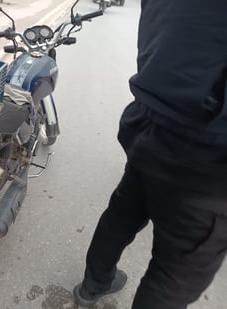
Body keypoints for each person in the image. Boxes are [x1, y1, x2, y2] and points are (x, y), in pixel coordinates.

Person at [73, 0, 227, 308]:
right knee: (173, 275)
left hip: (149, 117)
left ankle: (92, 286)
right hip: (207, 150)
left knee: (123, 212)